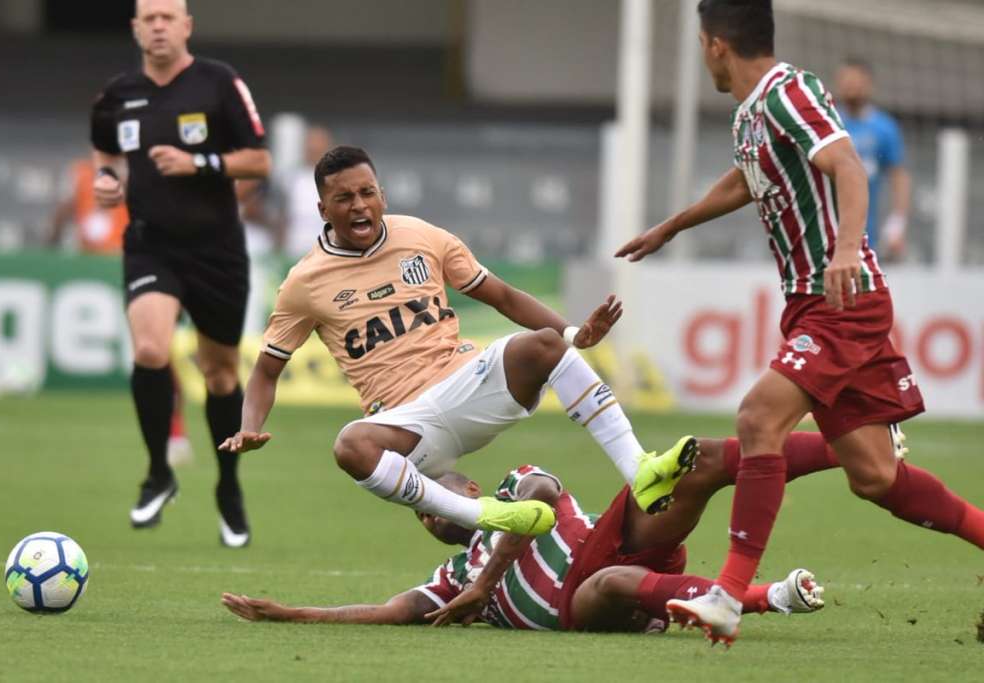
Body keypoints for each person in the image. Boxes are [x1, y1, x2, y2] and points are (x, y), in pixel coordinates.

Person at [616, 0, 984, 645]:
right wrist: (673, 225)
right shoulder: (751, 113)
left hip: (843, 298)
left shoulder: (791, 91)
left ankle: (728, 594)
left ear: (715, 45)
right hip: (813, 303)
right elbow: (745, 182)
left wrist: (845, 248)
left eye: (701, 43)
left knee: (759, 418)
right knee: (874, 476)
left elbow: (846, 163)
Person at [220, 145, 698, 540]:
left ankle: (639, 469)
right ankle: (487, 517)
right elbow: (266, 370)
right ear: (323, 210)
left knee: (547, 345)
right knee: (357, 451)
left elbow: (503, 296)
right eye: (343, 198)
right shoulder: (304, 282)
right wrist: (248, 425)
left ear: (382, 194)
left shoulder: (422, 237)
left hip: (466, 386)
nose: (359, 205)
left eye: (367, 193)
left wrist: (576, 334)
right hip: (405, 423)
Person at [220, 433, 836, 632]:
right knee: (613, 581)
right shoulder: (451, 579)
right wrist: (290, 614)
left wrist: (489, 583)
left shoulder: (515, 486)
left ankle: (847, 448)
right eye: (422, 516)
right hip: (581, 600)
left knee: (698, 470)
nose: (432, 517)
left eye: (437, 503)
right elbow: (389, 610)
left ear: (469, 494)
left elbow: (543, 497)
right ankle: (766, 597)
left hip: (615, 537)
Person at [90, 0, 271, 547]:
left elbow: (259, 161)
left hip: (217, 250)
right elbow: (103, 154)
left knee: (218, 374)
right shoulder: (117, 96)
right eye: (151, 17)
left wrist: (202, 163)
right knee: (150, 349)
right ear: (136, 29)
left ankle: (228, 487)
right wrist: (105, 182)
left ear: (187, 26)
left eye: (170, 16)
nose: (160, 25)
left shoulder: (219, 82)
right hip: (151, 245)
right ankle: (158, 473)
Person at [48, 154, 195, 468]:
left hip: (149, 269)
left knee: (159, 352)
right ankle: (168, 436)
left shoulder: (151, 169)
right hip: (103, 269)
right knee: (152, 353)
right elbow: (70, 209)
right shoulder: (84, 172)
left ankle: (176, 433)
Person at [834, 59, 911, 260]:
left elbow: (898, 176)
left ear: (868, 85)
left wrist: (897, 223)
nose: (851, 87)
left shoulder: (884, 128)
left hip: (867, 234)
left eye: (856, 81)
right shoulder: (830, 123)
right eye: (846, 81)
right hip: (827, 228)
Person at [284, 125, 334, 259]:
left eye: (318, 145)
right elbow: (282, 215)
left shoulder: (338, 178)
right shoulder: (292, 178)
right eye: (311, 145)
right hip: (295, 248)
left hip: (328, 247)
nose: (314, 149)